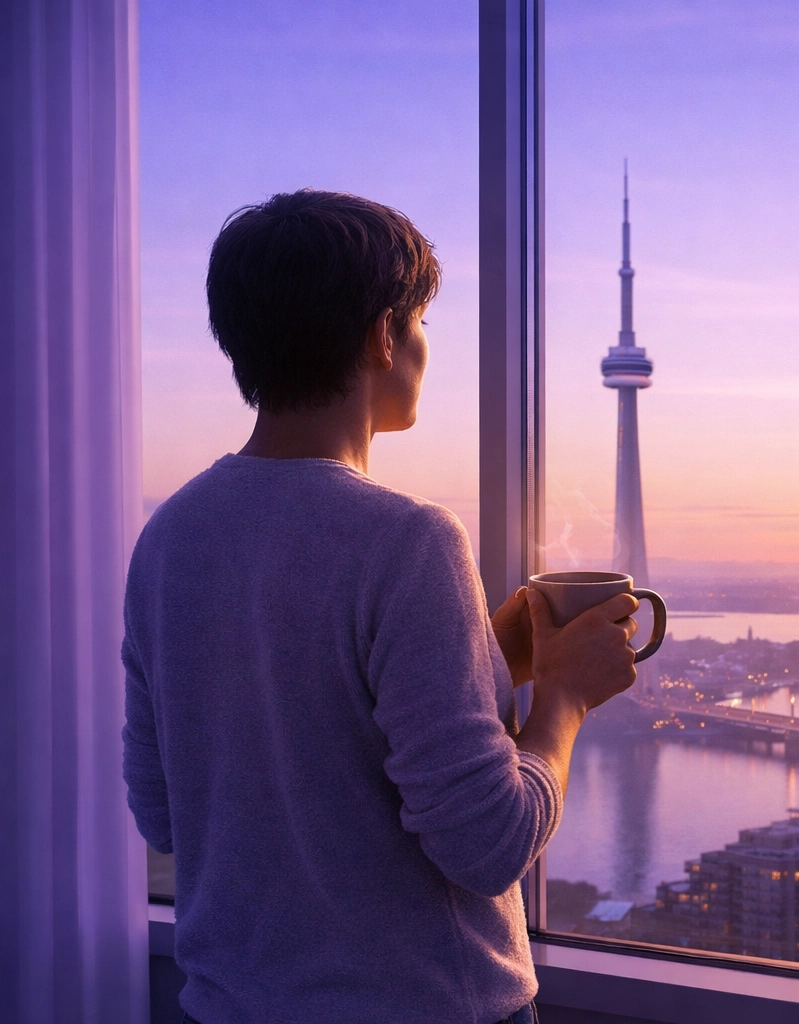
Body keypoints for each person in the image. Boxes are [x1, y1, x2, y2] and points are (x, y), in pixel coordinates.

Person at [121, 190, 637, 1024]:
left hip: (232, 1006)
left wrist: (482, 663)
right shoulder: (408, 540)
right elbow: (490, 843)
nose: (425, 348)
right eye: (422, 323)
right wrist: (564, 700)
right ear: (382, 334)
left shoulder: (170, 538)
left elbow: (168, 808)